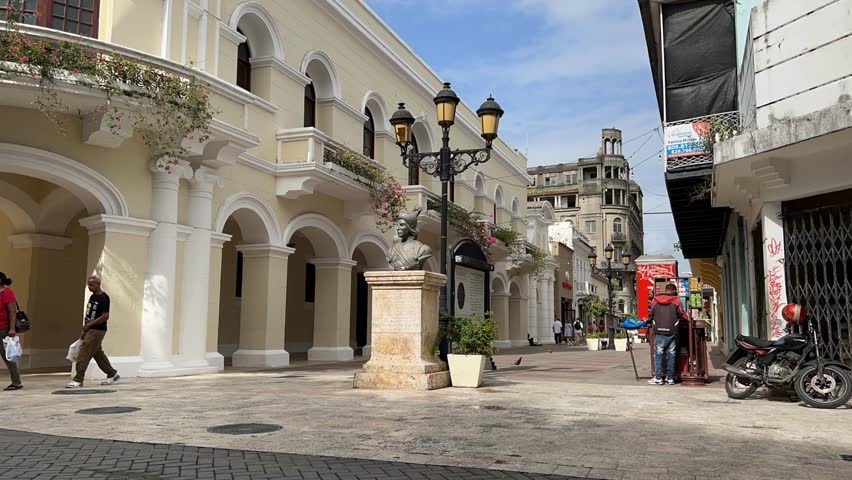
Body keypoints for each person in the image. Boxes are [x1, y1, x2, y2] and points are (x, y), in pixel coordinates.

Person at [67, 275, 120, 388]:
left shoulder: (104, 298)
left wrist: (90, 325)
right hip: (89, 329)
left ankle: (78, 379)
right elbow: (89, 314)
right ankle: (112, 374)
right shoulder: (92, 297)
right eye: (88, 285)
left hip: (97, 330)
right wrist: (85, 329)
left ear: (98, 284)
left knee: (84, 353)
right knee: (97, 353)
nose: (89, 287)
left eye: (91, 285)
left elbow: (105, 316)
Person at [647, 283, 687, 385]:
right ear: (674, 291)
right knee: (672, 355)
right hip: (672, 331)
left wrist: (651, 321)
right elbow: (683, 316)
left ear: (666, 290)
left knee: (659, 355)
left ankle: (659, 378)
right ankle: (670, 378)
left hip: (659, 331)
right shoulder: (677, 301)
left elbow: (650, 315)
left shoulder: (655, 300)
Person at [0, 272, 22, 391]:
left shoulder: (7, 293)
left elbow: (12, 312)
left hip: (2, 327)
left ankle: (16, 381)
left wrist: (12, 328)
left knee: (7, 355)